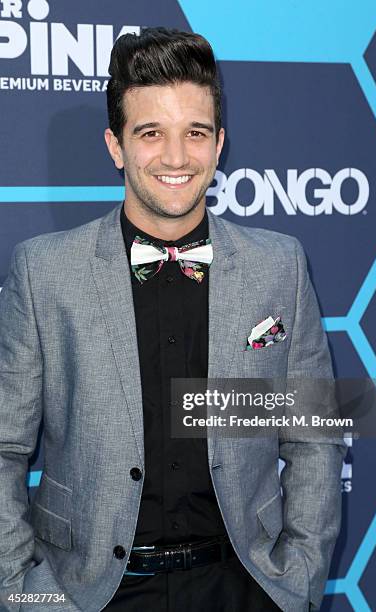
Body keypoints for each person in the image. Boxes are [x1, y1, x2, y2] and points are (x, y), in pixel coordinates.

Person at [0, 27, 345, 612]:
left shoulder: (278, 266)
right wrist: (26, 593)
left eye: (195, 133)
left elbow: (312, 434)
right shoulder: (45, 272)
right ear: (116, 146)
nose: (177, 157)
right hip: (88, 594)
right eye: (151, 133)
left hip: (246, 586)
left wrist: (300, 577)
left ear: (219, 144)